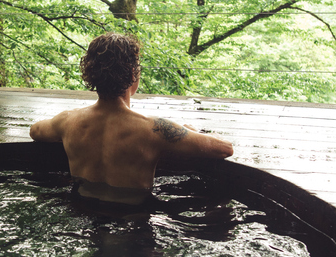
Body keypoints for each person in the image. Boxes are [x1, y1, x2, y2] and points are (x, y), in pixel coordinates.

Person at [29, 32, 234, 206]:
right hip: (133, 220)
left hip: (84, 210)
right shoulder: (155, 129)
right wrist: (193, 132)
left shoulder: (67, 121)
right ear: (134, 75)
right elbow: (224, 148)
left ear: (90, 73)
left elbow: (35, 131)